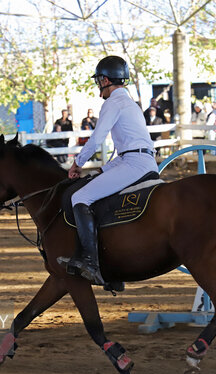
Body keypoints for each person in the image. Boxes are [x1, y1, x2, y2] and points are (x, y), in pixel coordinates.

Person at [60, 55, 158, 288]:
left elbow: (96, 140)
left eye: (98, 81)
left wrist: (78, 163)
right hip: (139, 159)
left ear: (105, 80)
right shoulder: (130, 103)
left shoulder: (112, 103)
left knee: (80, 197)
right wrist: (101, 170)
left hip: (134, 163)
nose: (98, 86)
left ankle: (90, 262)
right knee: (98, 186)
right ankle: (114, 269)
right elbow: (124, 150)